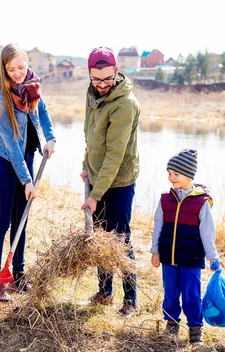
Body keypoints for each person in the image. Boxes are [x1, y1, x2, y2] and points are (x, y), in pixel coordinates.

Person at [0, 43, 56, 302]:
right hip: (6, 165)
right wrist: (27, 179)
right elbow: (13, 145)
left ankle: (18, 275)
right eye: (11, 69)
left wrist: (50, 138)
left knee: (21, 221)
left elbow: (43, 113)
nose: (17, 73)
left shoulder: (31, 87)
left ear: (27, 64)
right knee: (2, 224)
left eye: (21, 67)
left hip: (26, 159)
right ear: (3, 69)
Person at [80, 46, 140, 318]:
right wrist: (85, 167)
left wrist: (95, 194)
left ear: (116, 71)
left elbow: (115, 154)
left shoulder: (125, 104)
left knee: (120, 239)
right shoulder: (92, 95)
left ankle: (130, 300)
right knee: (101, 237)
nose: (102, 85)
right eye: (96, 79)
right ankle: (104, 292)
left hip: (120, 181)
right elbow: (90, 136)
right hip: (98, 178)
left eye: (107, 78)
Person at [150, 148, 222, 344]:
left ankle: (195, 331)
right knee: (171, 293)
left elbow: (207, 232)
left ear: (189, 174)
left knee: (191, 295)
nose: (171, 177)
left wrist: (212, 256)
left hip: (191, 258)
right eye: (169, 173)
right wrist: (155, 250)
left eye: (175, 174)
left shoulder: (201, 201)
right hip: (168, 257)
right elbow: (158, 224)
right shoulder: (166, 198)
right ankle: (171, 325)